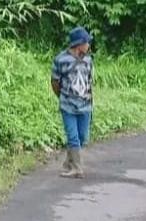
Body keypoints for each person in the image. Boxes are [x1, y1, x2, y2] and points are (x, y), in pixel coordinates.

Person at [51, 26, 94, 179]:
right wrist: (62, 96)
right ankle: (77, 168)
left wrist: (91, 100)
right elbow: (55, 82)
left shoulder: (88, 60)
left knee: (82, 137)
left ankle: (69, 163)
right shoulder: (60, 60)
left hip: (85, 105)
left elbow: (89, 82)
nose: (89, 45)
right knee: (73, 137)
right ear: (79, 43)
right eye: (87, 42)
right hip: (68, 105)